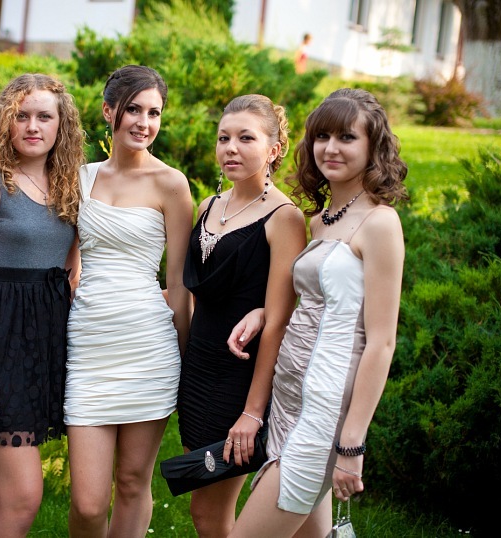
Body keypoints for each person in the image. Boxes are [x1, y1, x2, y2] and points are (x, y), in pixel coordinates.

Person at [228, 88, 408, 537]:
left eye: (347, 137)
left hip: (323, 410)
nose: (330, 148)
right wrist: (262, 312)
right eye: (322, 136)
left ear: (372, 146)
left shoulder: (380, 223)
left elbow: (382, 341)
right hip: (290, 397)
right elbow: (319, 300)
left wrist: (352, 444)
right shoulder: (321, 220)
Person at [0, 73, 84, 537]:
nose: (32, 126)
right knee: (23, 499)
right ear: (5, 121)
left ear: (62, 125)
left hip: (44, 342)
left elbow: (72, 265)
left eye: (45, 117)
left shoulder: (69, 185)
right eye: (21, 116)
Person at [64, 64, 194, 537]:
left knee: (134, 481)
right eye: (134, 109)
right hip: (90, 345)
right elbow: (67, 265)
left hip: (148, 348)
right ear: (108, 111)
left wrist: (185, 358)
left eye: (154, 112)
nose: (144, 122)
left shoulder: (172, 184)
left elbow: (179, 282)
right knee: (88, 503)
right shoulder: (79, 179)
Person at [176, 94, 307, 537]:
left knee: (208, 511)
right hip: (198, 369)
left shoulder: (285, 218)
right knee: (206, 507)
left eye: (246, 138)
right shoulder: (208, 206)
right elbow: (197, 293)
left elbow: (278, 320)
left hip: (239, 378)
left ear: (273, 149)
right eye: (224, 138)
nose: (230, 148)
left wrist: (253, 412)